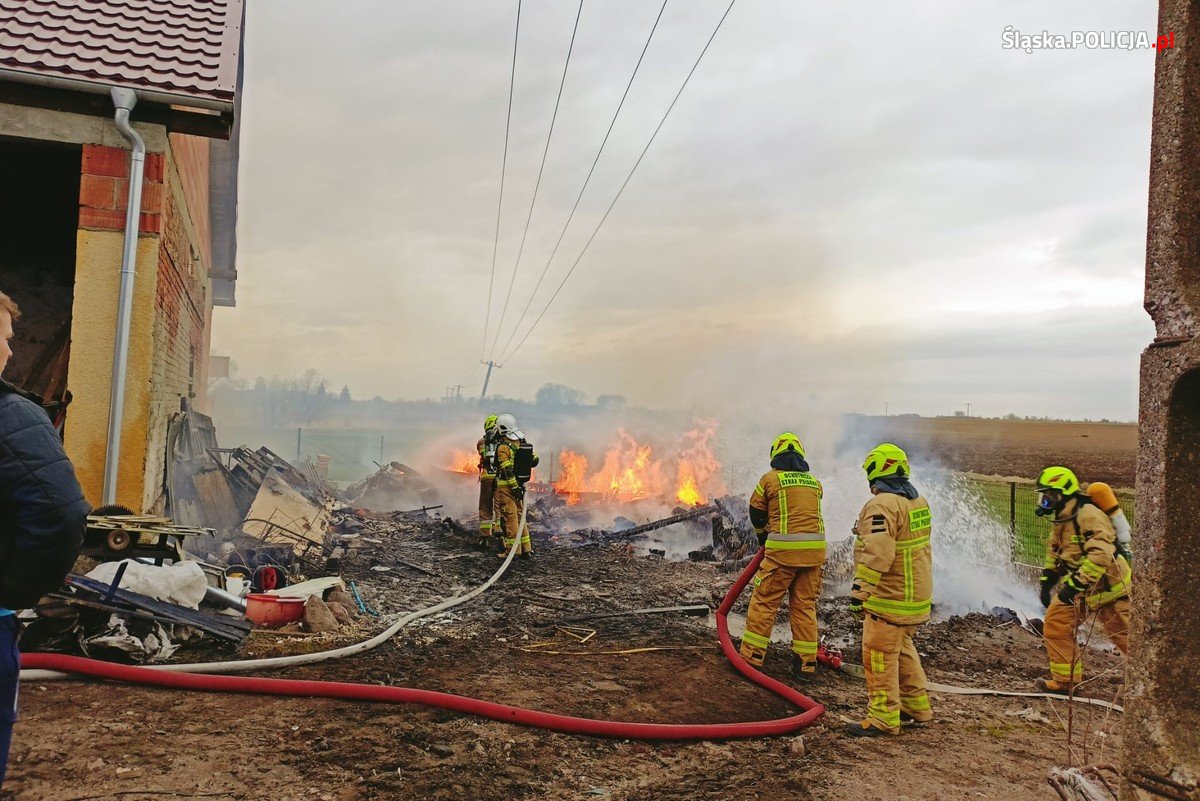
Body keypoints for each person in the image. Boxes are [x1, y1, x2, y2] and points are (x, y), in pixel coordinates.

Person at [0, 291, 89, 786]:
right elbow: (60, 516)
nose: (11, 353)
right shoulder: (11, 416)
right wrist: (11, 593)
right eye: (5, 340)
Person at [846, 443, 933, 737]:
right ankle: (916, 706)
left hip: (890, 598)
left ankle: (883, 717)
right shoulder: (917, 502)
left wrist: (860, 592)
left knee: (879, 654)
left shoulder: (881, 505)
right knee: (904, 651)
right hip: (914, 597)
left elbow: (877, 554)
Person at [1033, 466, 1130, 693]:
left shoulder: (1088, 514)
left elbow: (1101, 554)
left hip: (1112, 589)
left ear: (1061, 492)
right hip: (1084, 588)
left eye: (1046, 494)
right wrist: (1048, 579)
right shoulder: (1063, 517)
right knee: (1055, 625)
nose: (1043, 500)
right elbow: (1056, 549)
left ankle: (1159, 685)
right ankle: (1065, 682)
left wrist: (1074, 585)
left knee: (1127, 638)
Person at [739, 432, 827, 678]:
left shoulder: (770, 479)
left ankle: (751, 659)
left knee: (765, 603)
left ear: (775, 455)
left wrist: (761, 536)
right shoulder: (814, 483)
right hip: (814, 556)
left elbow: (756, 510)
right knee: (805, 607)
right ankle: (806, 665)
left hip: (783, 555)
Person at [491, 413, 538, 559]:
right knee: (520, 517)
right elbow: (535, 459)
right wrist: (518, 487)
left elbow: (507, 469)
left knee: (509, 519)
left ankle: (512, 551)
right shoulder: (521, 441)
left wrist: (514, 487)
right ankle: (526, 549)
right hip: (519, 486)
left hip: (507, 488)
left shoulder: (503, 447)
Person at [475, 415, 499, 547]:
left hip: (486, 477)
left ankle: (485, 537)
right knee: (499, 505)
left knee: (485, 506)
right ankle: (499, 532)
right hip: (500, 477)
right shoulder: (503, 441)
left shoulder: (481, 442)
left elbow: (482, 454)